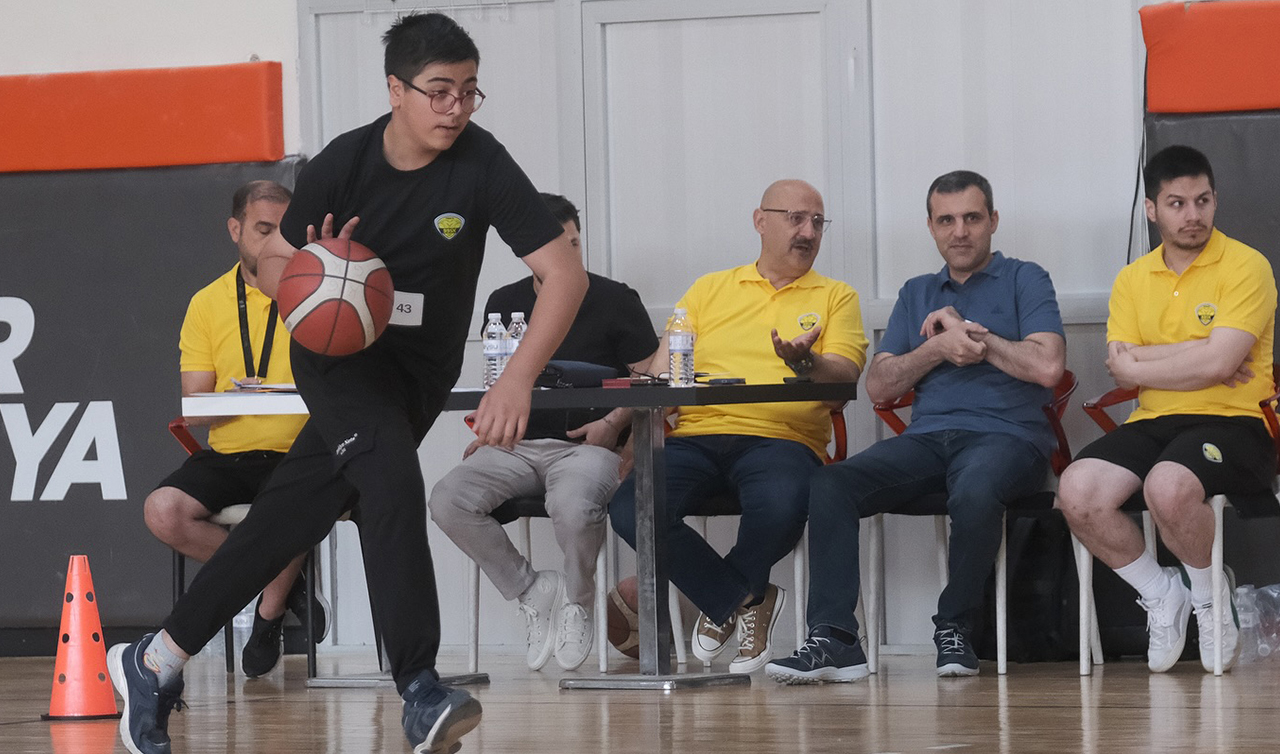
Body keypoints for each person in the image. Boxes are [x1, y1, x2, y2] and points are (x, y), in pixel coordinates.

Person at [107, 13, 588, 754]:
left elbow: (565, 275)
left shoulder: (483, 163)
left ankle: (155, 659)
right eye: (439, 91)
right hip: (339, 359)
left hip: (419, 374)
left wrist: (516, 379)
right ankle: (420, 688)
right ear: (396, 90)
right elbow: (276, 264)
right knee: (389, 481)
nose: (456, 107)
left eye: (468, 91)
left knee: (290, 514)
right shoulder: (344, 162)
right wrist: (319, 273)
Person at [766, 170, 1065, 683]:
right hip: (928, 441)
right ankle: (836, 639)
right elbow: (879, 386)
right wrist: (937, 348)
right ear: (931, 226)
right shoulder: (917, 292)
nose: (960, 231)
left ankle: (955, 627)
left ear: (993, 220)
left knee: (976, 487)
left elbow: (1048, 367)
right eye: (946, 220)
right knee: (830, 483)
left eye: (972, 218)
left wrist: (973, 336)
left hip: (1008, 439)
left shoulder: (1025, 278)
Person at [608, 179, 868, 675]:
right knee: (630, 507)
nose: (808, 231)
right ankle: (744, 598)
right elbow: (661, 375)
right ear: (760, 221)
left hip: (782, 439)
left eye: (817, 222)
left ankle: (727, 598)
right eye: (795, 218)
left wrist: (807, 362)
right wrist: (634, 435)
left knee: (785, 502)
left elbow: (841, 385)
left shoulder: (837, 296)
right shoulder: (708, 290)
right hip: (696, 436)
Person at [1056, 145, 1277, 674]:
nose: (1193, 214)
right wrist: (1200, 354)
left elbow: (1216, 363)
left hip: (1237, 420)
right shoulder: (1132, 279)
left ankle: (1209, 599)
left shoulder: (1247, 265)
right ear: (1152, 209)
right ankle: (1162, 593)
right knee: (1076, 491)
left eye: (1202, 200)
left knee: (1168, 486)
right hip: (1154, 420)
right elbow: (1122, 371)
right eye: (1177, 203)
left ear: (1215, 200)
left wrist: (1161, 362)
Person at [429, 193, 660, 672]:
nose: (569, 254)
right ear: (527, 251)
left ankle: (578, 604)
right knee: (447, 499)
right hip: (515, 444)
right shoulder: (504, 303)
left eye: (575, 243)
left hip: (587, 446)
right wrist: (489, 427)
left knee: (573, 507)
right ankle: (532, 589)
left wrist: (614, 424)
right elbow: (499, 381)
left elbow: (650, 379)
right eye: (557, 246)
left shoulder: (617, 300)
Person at [145, 180, 328, 680]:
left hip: (300, 451)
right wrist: (241, 396)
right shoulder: (207, 302)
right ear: (235, 230)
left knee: (293, 500)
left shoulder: (317, 293)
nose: (274, 244)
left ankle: (269, 615)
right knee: (162, 511)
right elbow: (196, 407)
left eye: (285, 232)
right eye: (263, 230)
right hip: (230, 453)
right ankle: (282, 587)